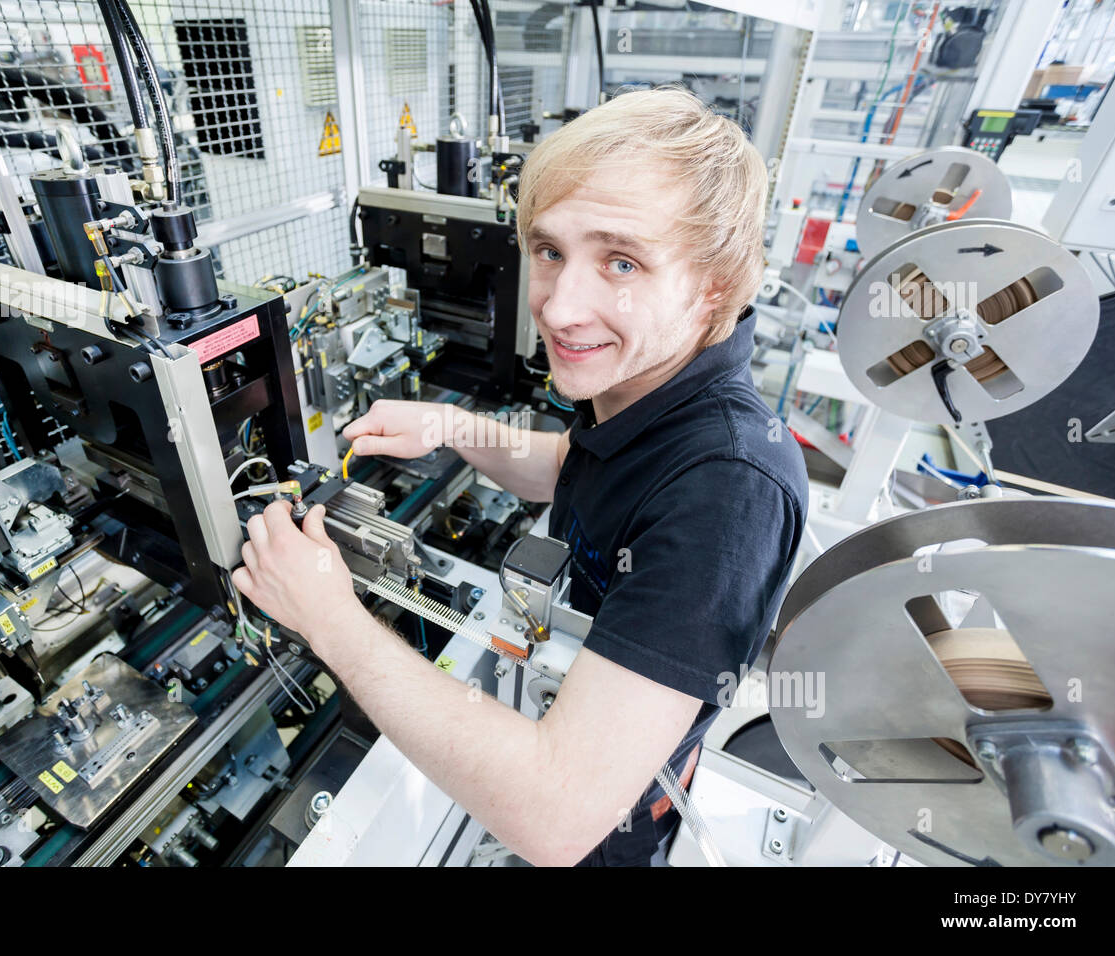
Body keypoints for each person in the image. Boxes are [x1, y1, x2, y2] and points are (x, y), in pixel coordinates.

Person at [232, 86, 808, 866]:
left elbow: (557, 816)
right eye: (549, 251)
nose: (561, 307)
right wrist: (450, 426)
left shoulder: (728, 490)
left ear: (714, 284)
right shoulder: (653, 389)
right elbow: (573, 471)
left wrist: (328, 618)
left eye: (622, 260)